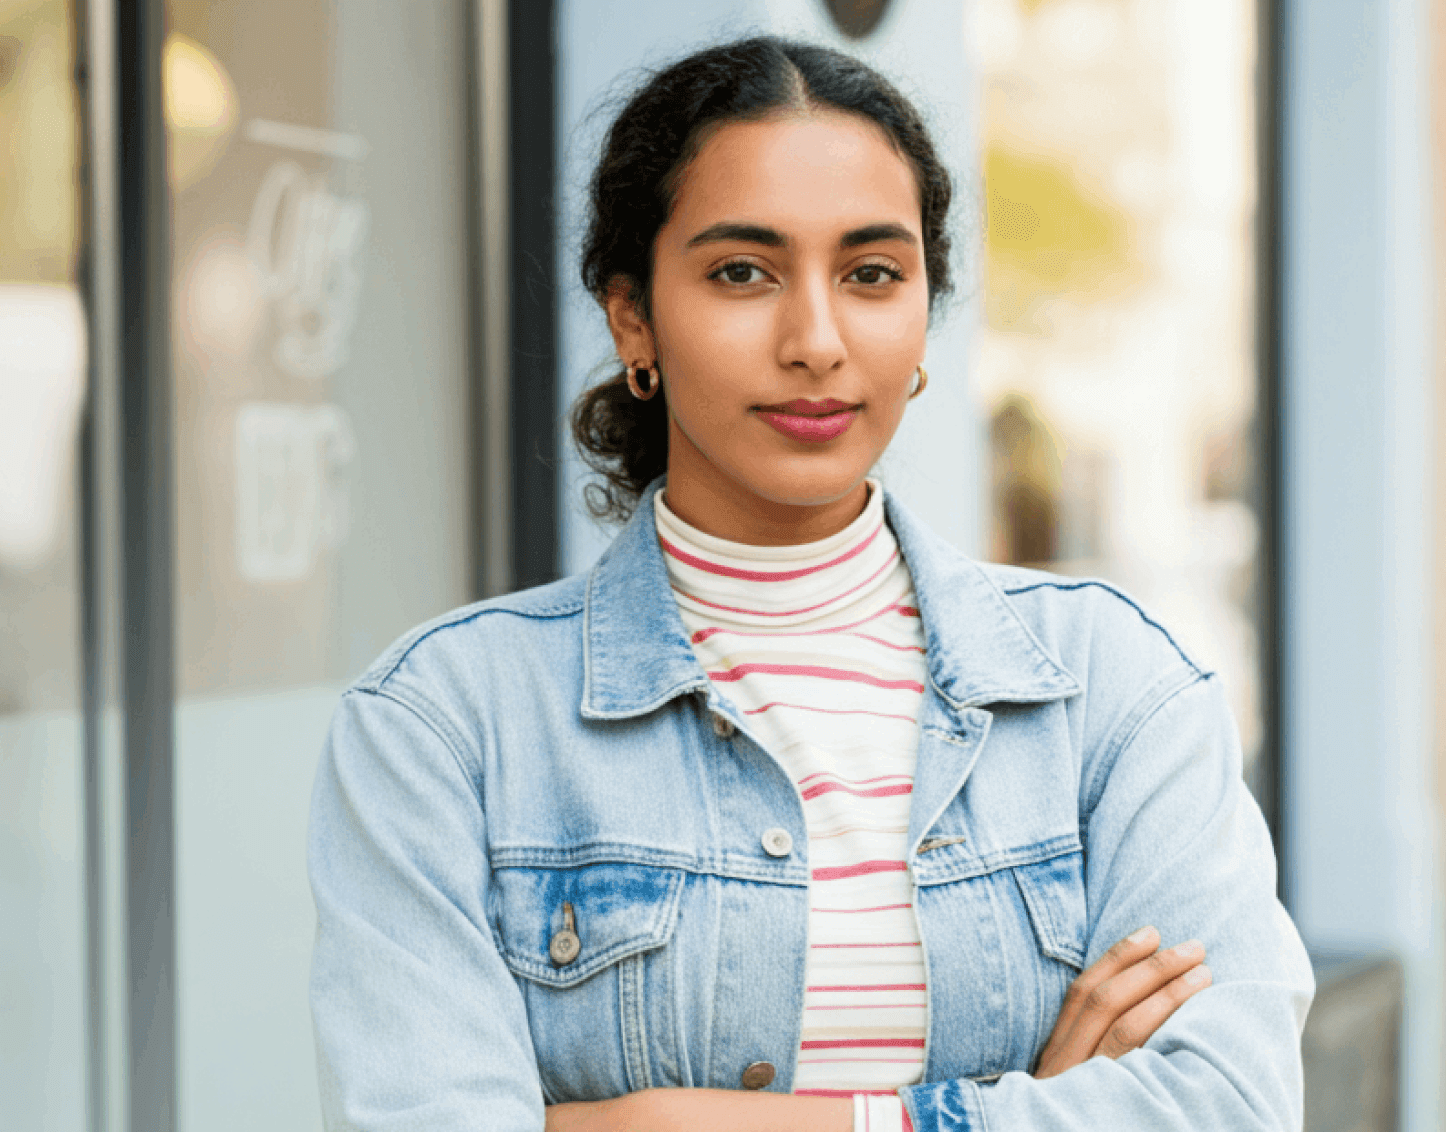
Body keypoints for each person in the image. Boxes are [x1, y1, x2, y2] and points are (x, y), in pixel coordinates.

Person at [307, 35, 1312, 1132]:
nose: (817, 340)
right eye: (743, 271)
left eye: (872, 273)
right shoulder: (447, 725)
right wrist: (1032, 1108)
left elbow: (1227, 1105)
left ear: (925, 313)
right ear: (633, 315)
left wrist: (645, 1124)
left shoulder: (1112, 691)